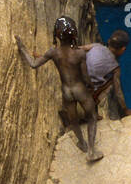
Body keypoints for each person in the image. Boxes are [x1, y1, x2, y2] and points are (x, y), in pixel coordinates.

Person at [15, 16, 103, 162]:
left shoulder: (53, 52)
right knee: (92, 117)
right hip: (80, 89)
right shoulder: (79, 53)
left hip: (66, 91)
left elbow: (34, 64)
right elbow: (85, 76)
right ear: (74, 34)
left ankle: (82, 143)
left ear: (57, 35)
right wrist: (92, 87)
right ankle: (92, 151)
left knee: (73, 120)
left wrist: (22, 47)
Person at [83, 30, 131, 119]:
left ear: (109, 41)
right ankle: (91, 110)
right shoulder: (115, 67)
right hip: (87, 92)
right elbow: (118, 91)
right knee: (112, 81)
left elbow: (79, 48)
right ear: (123, 49)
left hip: (76, 82)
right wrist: (125, 109)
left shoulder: (95, 46)